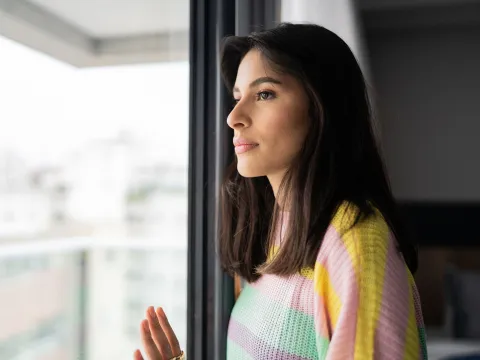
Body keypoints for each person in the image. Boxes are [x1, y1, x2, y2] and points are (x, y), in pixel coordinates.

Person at [133, 23, 428, 360]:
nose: (234, 117)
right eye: (237, 97)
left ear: (322, 108)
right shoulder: (273, 229)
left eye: (265, 94)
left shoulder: (354, 242)